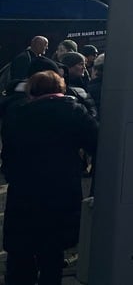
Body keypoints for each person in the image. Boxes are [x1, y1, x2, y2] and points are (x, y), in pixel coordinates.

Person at [1, 70, 98, 285]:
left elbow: (7, 153)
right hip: (60, 190)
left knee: (21, 251)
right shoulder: (72, 111)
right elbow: (96, 140)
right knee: (52, 253)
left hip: (24, 191)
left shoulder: (17, 113)